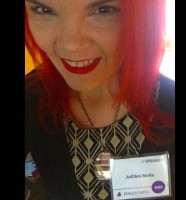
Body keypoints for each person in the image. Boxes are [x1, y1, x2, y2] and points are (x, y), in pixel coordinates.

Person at [25, 0, 175, 200]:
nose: (71, 46)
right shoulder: (30, 99)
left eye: (103, 10)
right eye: (43, 10)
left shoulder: (170, 105)